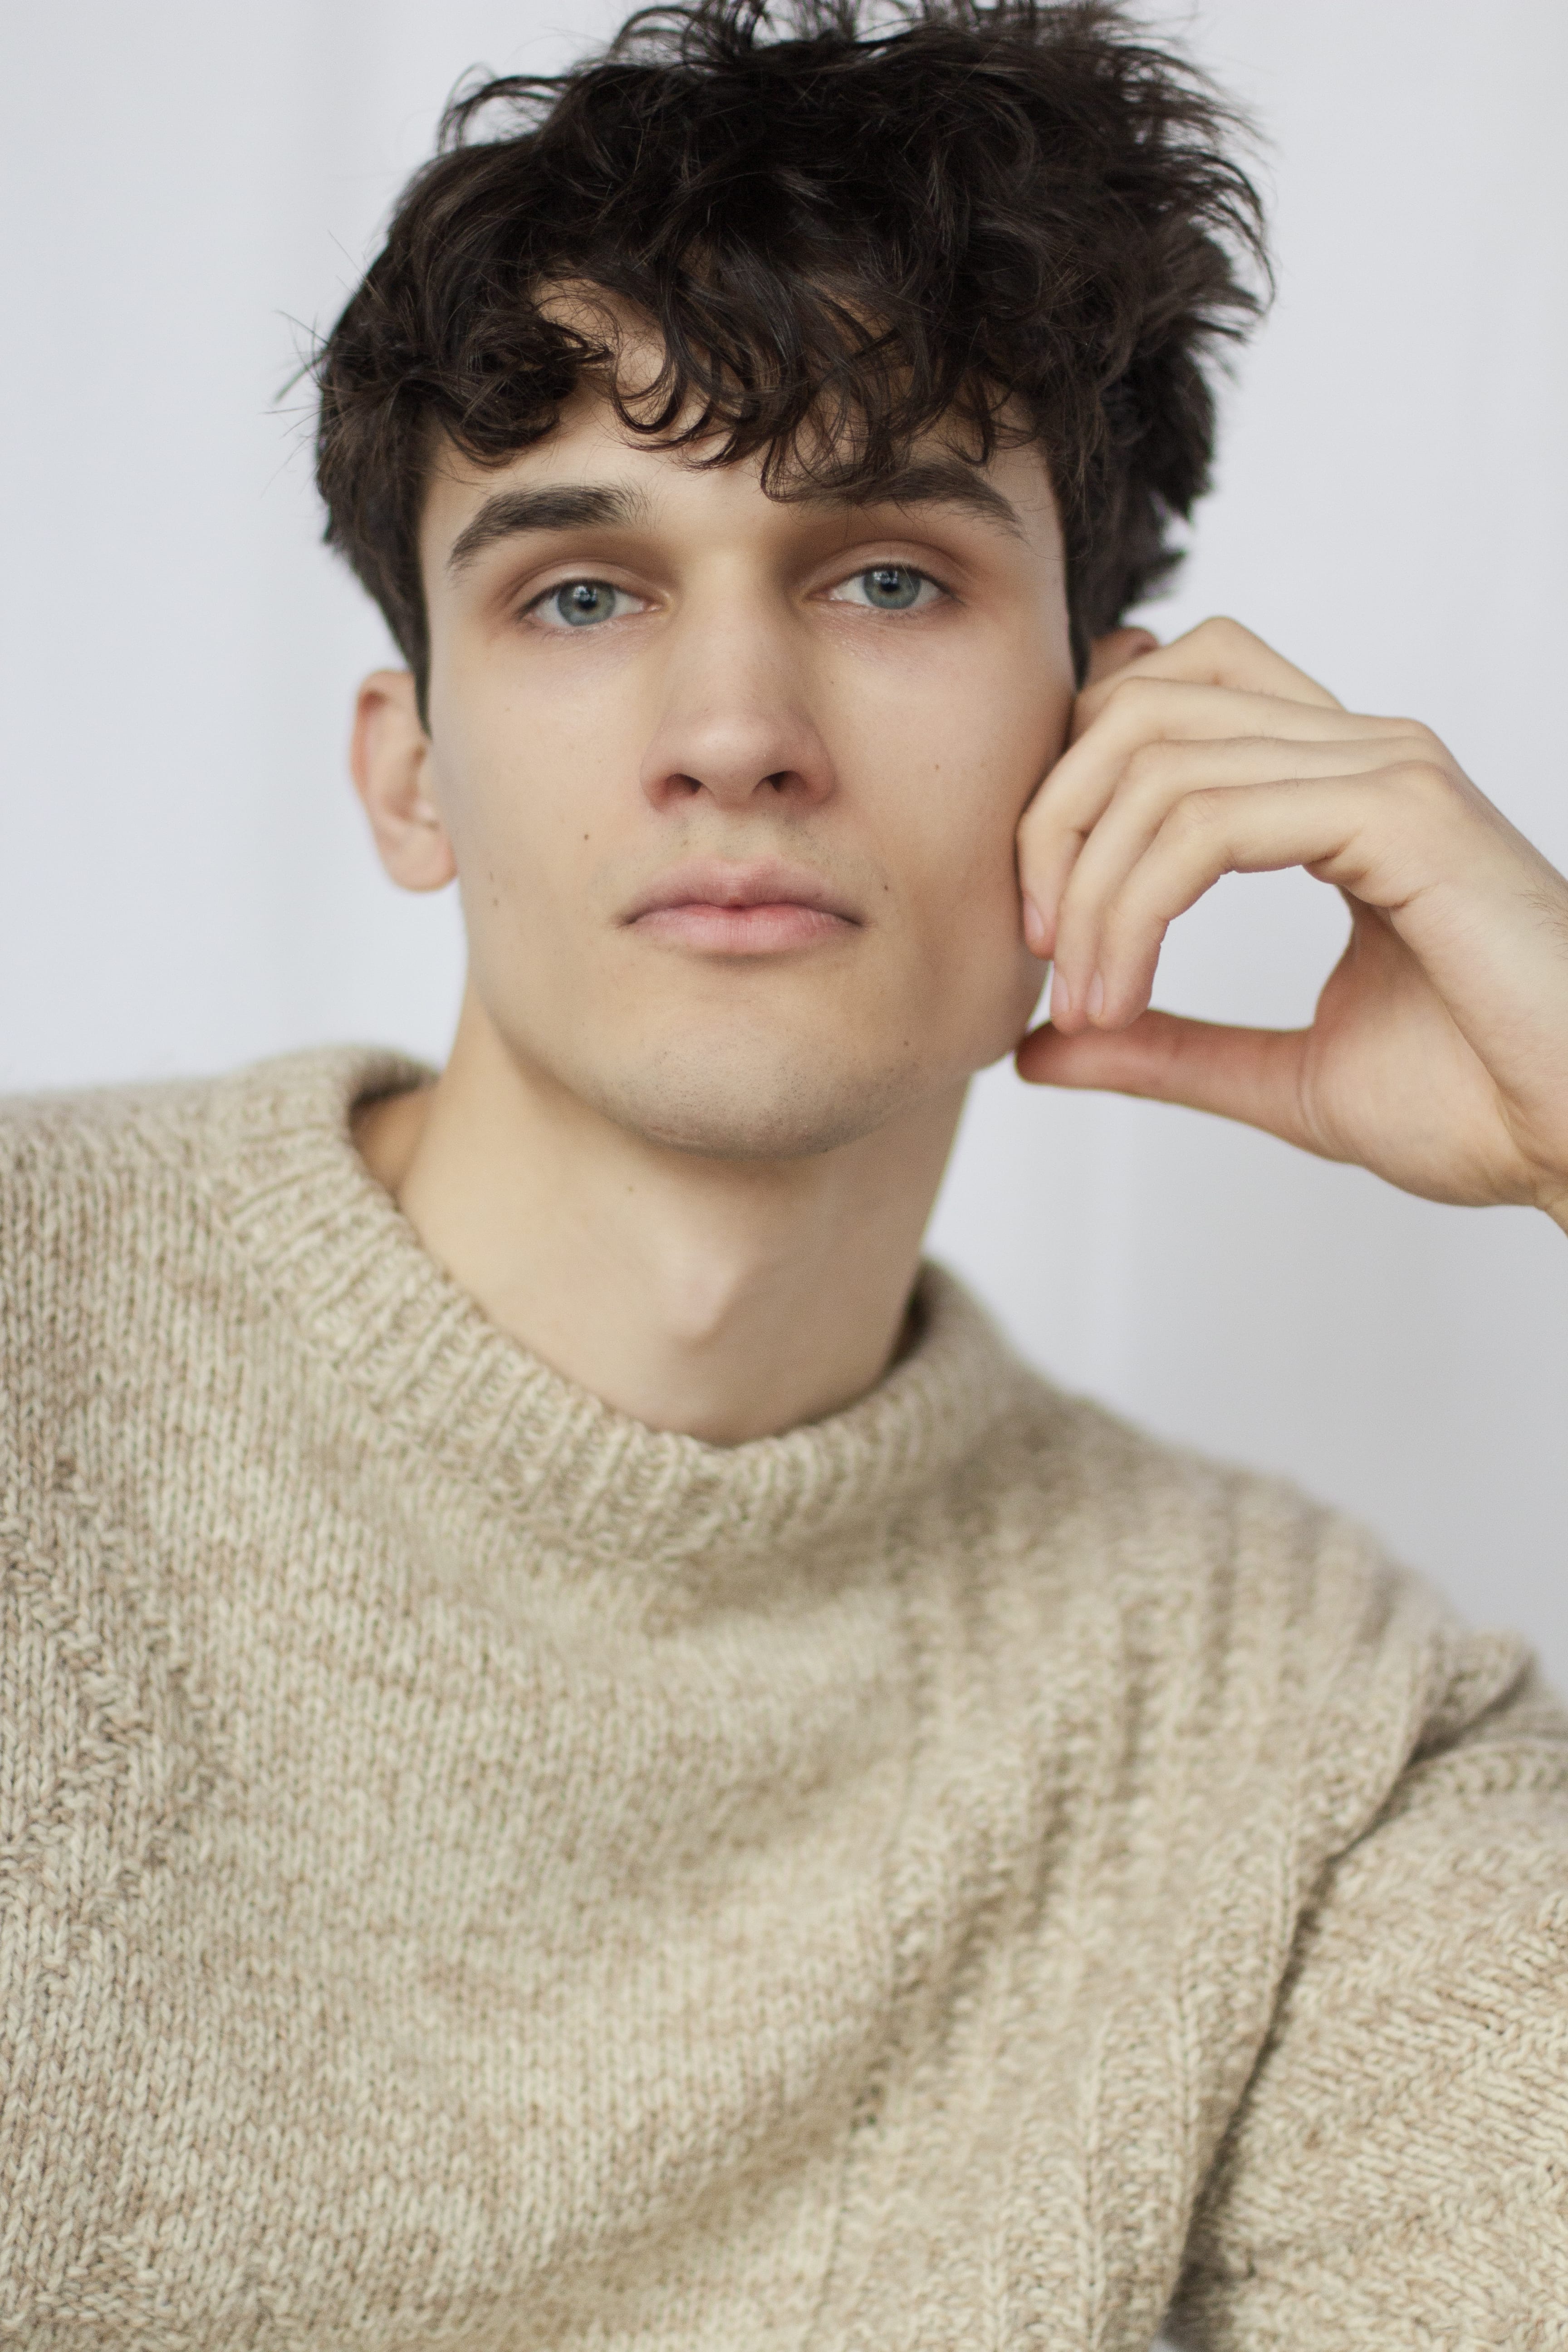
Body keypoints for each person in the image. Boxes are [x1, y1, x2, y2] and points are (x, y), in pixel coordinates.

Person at [5, 1, 1568, 2343]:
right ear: (410, 774)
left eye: (887, 579)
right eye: (583, 593)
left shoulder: (1302, 1735)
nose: (734, 734)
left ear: (1113, 735)